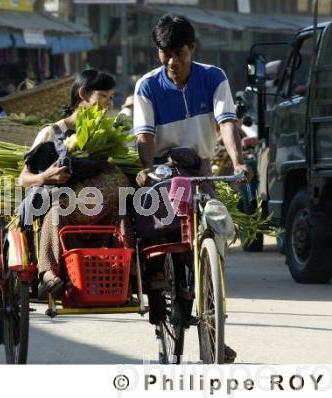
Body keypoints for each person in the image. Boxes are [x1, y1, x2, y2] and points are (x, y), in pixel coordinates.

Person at [133, 14, 250, 363]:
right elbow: (145, 135)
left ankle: (214, 324)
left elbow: (226, 121)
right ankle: (161, 284)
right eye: (164, 53)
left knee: (214, 233)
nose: (172, 61)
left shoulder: (213, 77)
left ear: (192, 49)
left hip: (199, 167)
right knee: (157, 231)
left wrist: (238, 161)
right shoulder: (147, 85)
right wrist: (144, 170)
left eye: (178, 53)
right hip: (163, 168)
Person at [18, 69, 134, 299]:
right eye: (103, 96)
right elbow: (22, 179)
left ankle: (126, 276)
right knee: (59, 210)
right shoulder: (52, 133)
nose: (108, 104)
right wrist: (45, 177)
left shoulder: (107, 135)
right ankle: (48, 274)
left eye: (111, 98)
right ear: (83, 94)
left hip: (96, 209)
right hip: (64, 208)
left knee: (123, 212)